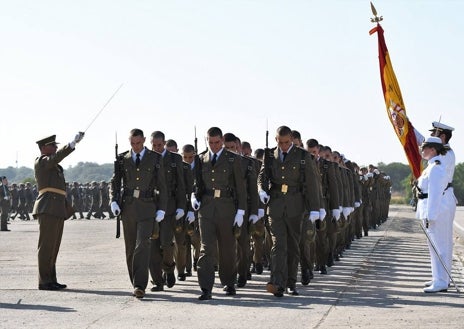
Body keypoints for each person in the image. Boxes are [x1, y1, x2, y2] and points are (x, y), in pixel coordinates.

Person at [257, 126, 321, 297]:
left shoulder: (302, 156)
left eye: (287, 142)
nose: (284, 146)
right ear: (276, 139)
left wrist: (315, 208)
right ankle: (277, 283)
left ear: (292, 139)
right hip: (275, 204)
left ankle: (291, 283)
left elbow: (312, 183)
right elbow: (262, 176)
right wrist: (262, 190)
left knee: (293, 245)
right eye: (280, 142)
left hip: (295, 205)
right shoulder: (269, 155)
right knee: (278, 245)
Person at [109, 128, 167, 299]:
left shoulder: (155, 158)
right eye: (132, 143)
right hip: (128, 207)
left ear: (143, 140)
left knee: (143, 245)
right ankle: (135, 281)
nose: (135, 146)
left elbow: (162, 185)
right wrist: (113, 200)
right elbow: (115, 182)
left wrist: (162, 208)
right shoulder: (122, 159)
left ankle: (140, 285)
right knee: (130, 247)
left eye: (138, 143)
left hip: (148, 207)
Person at [191, 127, 247, 300]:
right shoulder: (201, 158)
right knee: (206, 249)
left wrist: (241, 211)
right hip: (206, 209)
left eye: (217, 142)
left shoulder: (233, 159)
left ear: (222, 140)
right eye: (210, 142)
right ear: (206, 140)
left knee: (227, 248)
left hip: (227, 208)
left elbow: (241, 188)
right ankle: (206, 288)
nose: (214, 146)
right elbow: (196, 183)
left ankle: (229, 282)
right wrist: (194, 196)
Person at [33, 132, 85, 290]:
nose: (55, 147)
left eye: (56, 146)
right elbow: (54, 158)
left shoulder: (54, 165)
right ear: (43, 148)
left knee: (54, 247)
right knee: (46, 246)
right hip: (48, 207)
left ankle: (51, 279)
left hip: (56, 207)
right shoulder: (42, 161)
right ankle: (44, 281)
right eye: (52, 145)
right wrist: (71, 145)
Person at [149, 132, 186, 291]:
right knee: (152, 246)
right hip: (151, 205)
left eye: (159, 145)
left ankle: (169, 269)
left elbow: (181, 185)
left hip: (170, 206)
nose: (157, 148)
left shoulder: (175, 159)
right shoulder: (148, 158)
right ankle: (157, 280)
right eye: (154, 145)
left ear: (164, 143)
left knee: (166, 243)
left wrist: (181, 206)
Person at [415, 136, 450, 293]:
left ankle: (442, 281)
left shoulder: (436, 168)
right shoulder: (430, 167)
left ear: (433, 149)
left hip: (436, 212)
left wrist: (430, 216)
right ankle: (437, 277)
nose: (422, 150)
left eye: (425, 148)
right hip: (428, 210)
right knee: (433, 247)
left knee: (440, 247)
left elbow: (435, 194)